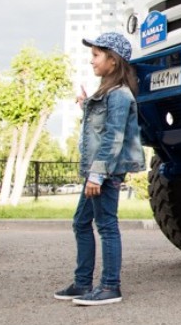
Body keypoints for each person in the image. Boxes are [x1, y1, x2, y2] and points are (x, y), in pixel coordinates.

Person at [54, 32, 144, 306]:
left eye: (96, 55)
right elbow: (100, 128)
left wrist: (97, 174)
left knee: (106, 225)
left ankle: (110, 286)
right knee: (81, 222)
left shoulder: (119, 95)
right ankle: (83, 283)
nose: (91, 60)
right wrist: (86, 105)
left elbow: (113, 137)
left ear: (113, 61)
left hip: (104, 172)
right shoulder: (106, 93)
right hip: (96, 171)